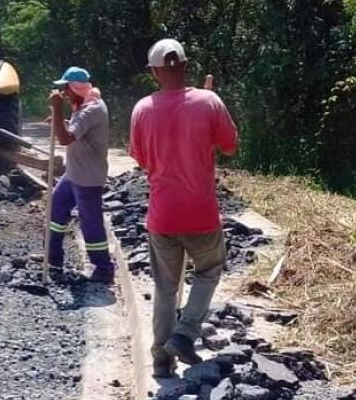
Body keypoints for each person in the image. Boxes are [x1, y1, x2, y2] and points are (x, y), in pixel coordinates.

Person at [128, 39, 238, 378]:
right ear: (186, 66)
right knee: (208, 270)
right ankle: (186, 332)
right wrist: (209, 101)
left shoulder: (142, 109)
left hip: (162, 217)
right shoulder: (209, 101)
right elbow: (230, 146)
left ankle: (162, 361)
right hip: (202, 215)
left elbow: (142, 159)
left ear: (154, 72)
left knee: (164, 287)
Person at [47, 67, 116, 284]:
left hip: (87, 178)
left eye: (67, 89)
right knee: (56, 207)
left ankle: (104, 267)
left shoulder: (92, 109)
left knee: (91, 223)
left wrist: (58, 111)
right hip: (74, 173)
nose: (65, 94)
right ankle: (53, 258)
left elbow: (66, 138)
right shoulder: (84, 104)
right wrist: (59, 120)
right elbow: (74, 131)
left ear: (76, 88)